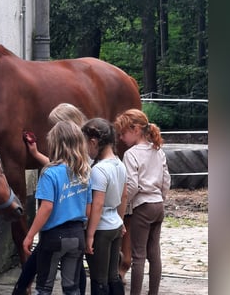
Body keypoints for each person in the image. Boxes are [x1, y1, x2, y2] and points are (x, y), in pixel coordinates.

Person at [13, 103, 89, 295]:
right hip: (77, 234)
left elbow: (46, 207)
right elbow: (88, 207)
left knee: (44, 287)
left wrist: (30, 235)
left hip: (54, 236)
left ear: (54, 143)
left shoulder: (49, 174)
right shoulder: (84, 172)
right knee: (72, 287)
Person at [114, 109, 171, 295]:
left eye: (123, 133)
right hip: (158, 206)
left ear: (136, 129)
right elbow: (166, 180)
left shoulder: (131, 155)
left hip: (142, 207)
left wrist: (124, 205)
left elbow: (132, 186)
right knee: (154, 254)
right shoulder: (157, 150)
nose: (121, 138)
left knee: (138, 255)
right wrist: (161, 198)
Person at [81, 118, 127, 295]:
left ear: (94, 142)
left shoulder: (99, 170)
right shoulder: (119, 163)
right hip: (115, 223)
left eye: (85, 144)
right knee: (113, 276)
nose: (85, 149)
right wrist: (121, 221)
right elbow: (124, 196)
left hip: (100, 228)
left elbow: (97, 204)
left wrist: (90, 235)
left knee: (99, 280)